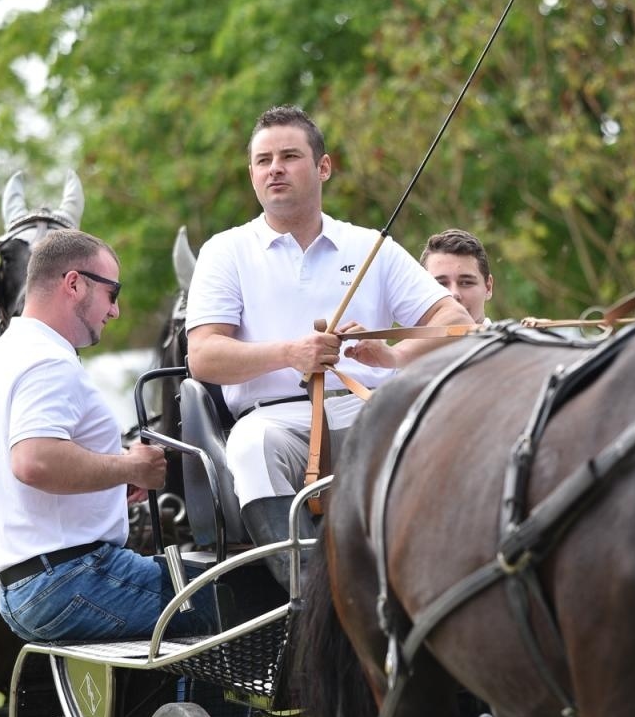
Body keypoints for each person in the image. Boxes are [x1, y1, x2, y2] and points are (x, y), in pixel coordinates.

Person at [185, 105, 470, 578]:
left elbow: (454, 319)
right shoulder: (225, 251)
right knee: (250, 447)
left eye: (289, 156)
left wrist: (395, 357)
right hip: (276, 420)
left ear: (323, 167)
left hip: (369, 408)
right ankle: (307, 594)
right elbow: (204, 356)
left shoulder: (368, 246)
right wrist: (289, 353)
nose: (274, 168)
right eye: (262, 160)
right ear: (252, 174)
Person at [0, 228, 215, 643]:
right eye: (112, 293)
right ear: (74, 283)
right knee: (222, 603)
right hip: (69, 579)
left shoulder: (9, 352)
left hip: (30, 582)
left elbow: (31, 478)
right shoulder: (46, 360)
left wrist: (112, 482)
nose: (115, 310)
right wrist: (129, 465)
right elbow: (34, 461)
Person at [420, 228, 494, 322]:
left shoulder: (515, 336)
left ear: (488, 287)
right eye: (440, 284)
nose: (454, 294)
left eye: (466, 282)